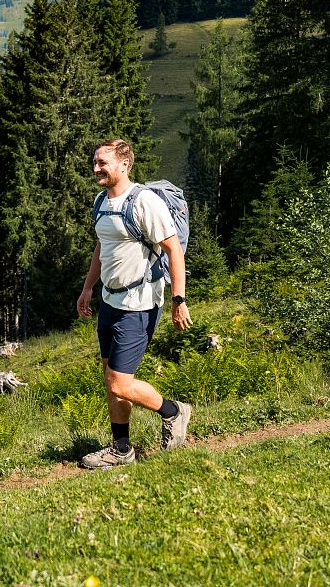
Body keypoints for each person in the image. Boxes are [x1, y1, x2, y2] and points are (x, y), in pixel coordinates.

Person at [76, 139, 193, 469]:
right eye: (95, 162)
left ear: (124, 165)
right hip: (110, 301)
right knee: (111, 380)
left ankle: (173, 412)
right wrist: (88, 289)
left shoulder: (144, 202)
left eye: (103, 162)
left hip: (140, 304)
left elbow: (173, 251)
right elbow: (102, 248)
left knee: (120, 382)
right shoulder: (101, 201)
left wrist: (178, 300)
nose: (96, 168)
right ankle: (121, 448)